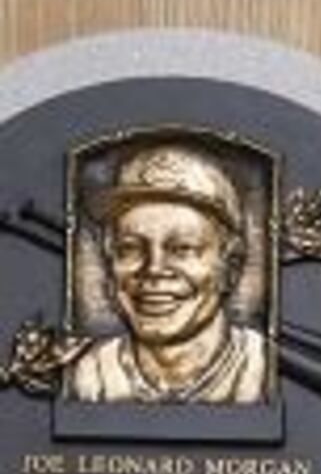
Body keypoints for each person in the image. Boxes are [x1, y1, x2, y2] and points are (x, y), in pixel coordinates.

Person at [65, 140, 275, 405]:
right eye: (130, 248)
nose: (153, 269)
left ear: (231, 268)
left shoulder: (265, 372)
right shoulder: (86, 376)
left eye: (182, 248)